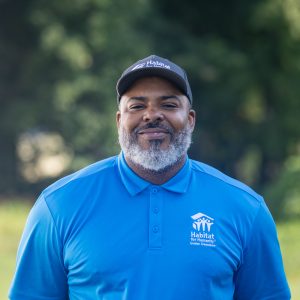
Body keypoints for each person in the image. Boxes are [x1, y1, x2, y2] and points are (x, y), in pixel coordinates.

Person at [9, 55, 291, 300]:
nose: (152, 115)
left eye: (168, 105)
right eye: (137, 106)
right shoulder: (58, 206)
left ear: (190, 119)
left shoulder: (245, 209)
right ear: (119, 120)